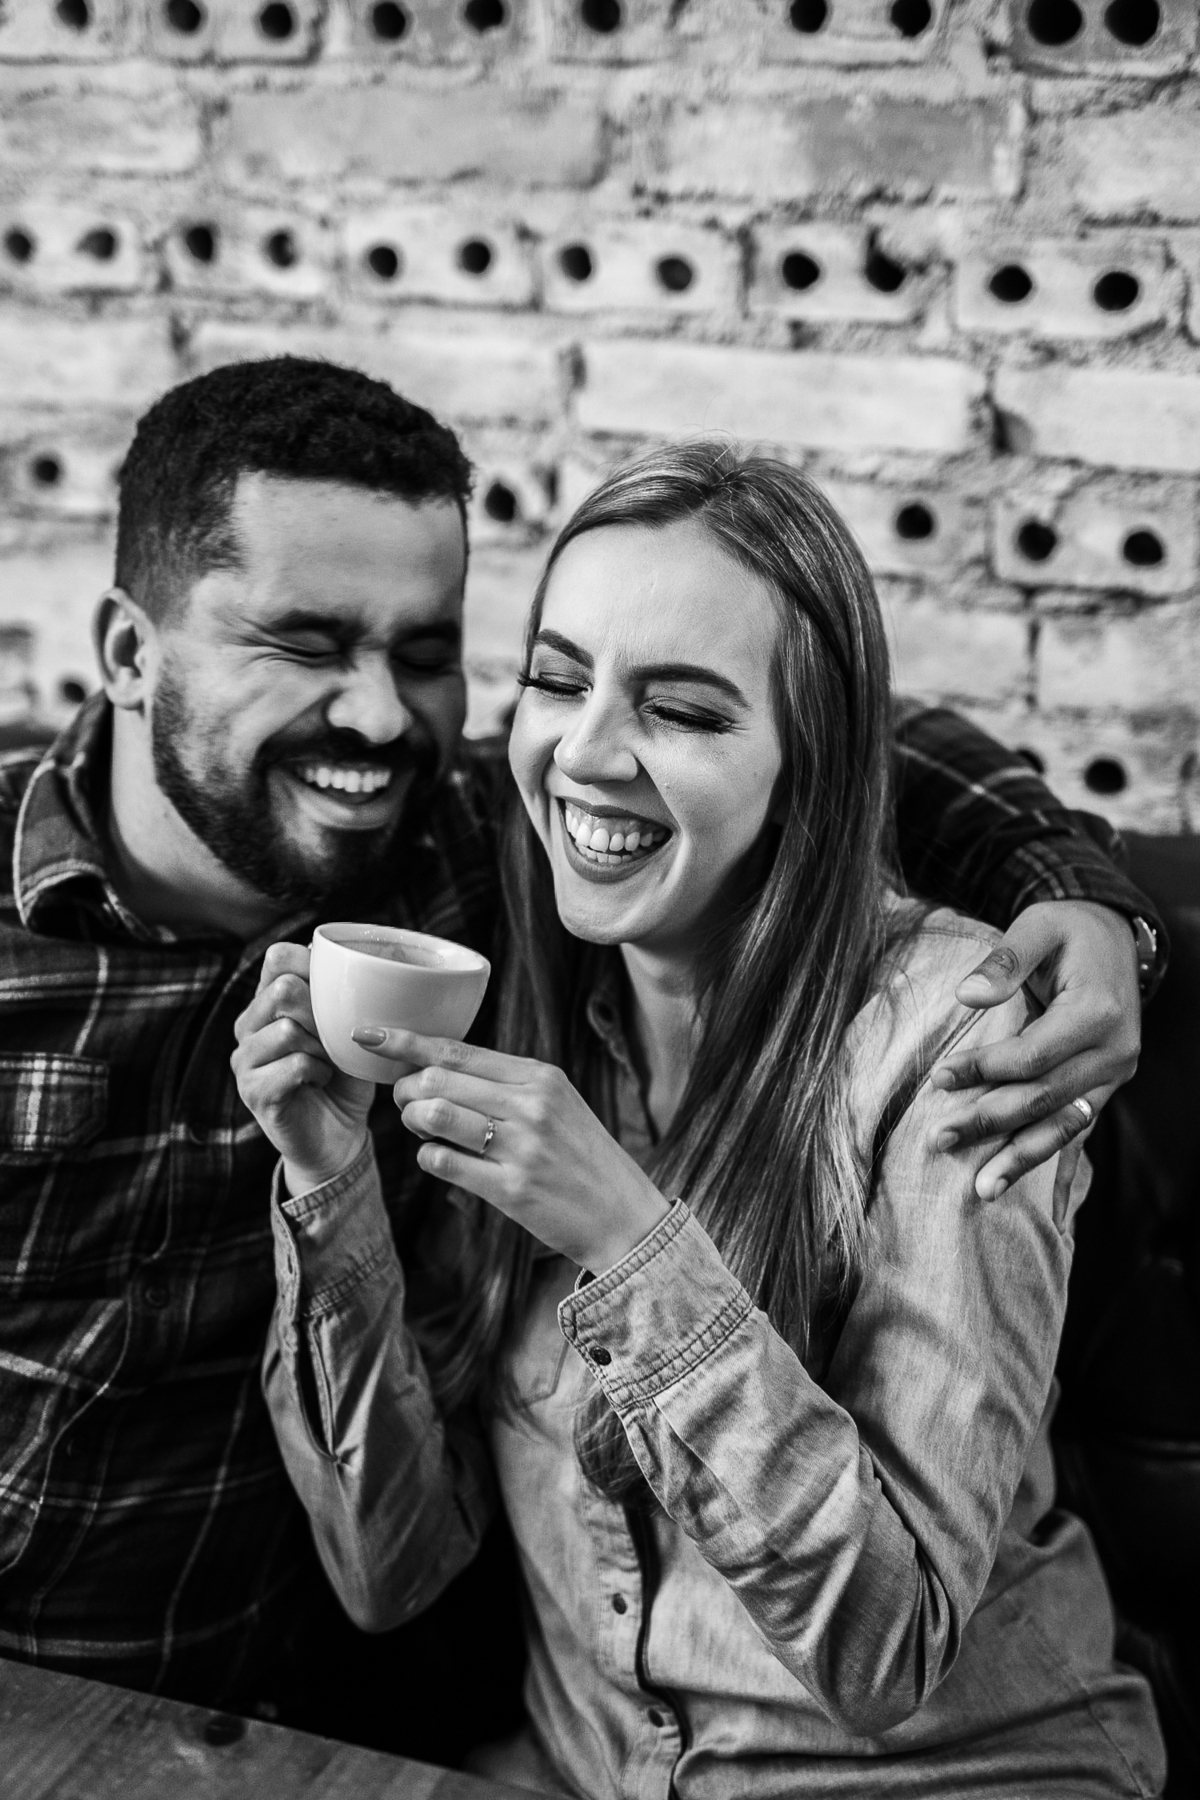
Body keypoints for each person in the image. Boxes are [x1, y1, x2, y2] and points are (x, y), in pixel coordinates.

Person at [0, 353, 1157, 1738]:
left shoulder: (470, 883)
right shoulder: (513, 917)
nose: (378, 717)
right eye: (306, 643)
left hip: (300, 1718)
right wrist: (333, 1186)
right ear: (130, 652)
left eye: (427, 656)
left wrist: (1079, 895)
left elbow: (839, 724)